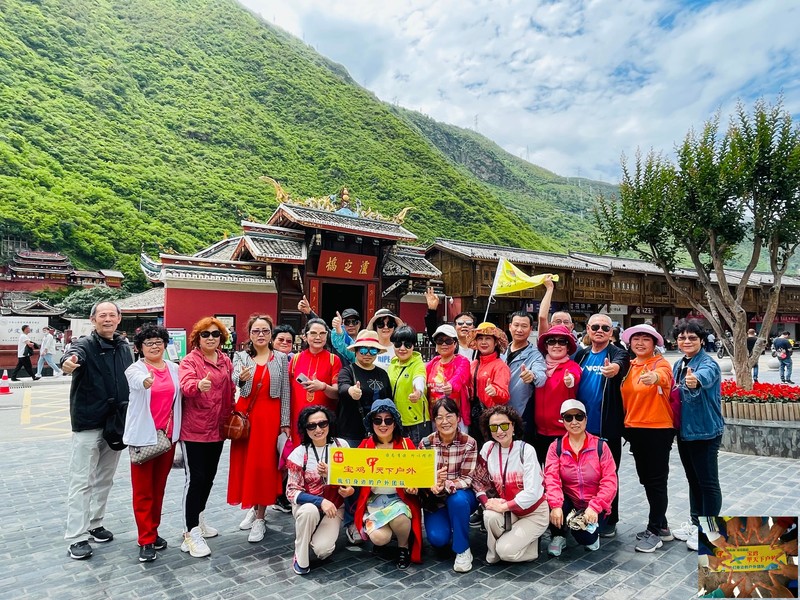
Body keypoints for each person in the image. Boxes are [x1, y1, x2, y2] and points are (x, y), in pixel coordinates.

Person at [60, 301, 133, 560]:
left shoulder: (124, 347)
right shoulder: (84, 345)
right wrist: (67, 363)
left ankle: (95, 523)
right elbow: (72, 355)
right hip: (88, 422)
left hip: (115, 423)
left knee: (105, 478)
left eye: (112, 315)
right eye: (102, 315)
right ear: (93, 320)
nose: (107, 319)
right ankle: (76, 536)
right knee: (82, 480)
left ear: (119, 319)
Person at [229, 315, 291, 543]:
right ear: (250, 334)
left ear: (271, 333)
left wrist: (285, 422)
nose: (261, 335)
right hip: (247, 416)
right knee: (248, 465)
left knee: (264, 466)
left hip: (269, 416)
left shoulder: (280, 358)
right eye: (256, 331)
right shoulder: (241, 356)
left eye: (265, 330)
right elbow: (237, 381)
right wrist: (242, 379)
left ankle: (260, 518)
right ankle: (254, 508)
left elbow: (285, 392)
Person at [123, 324, 182, 562]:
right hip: (144, 438)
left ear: (165, 345)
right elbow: (138, 381)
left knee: (159, 488)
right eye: (149, 343)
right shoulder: (135, 369)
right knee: (143, 491)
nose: (154, 347)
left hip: (167, 438)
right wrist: (147, 380)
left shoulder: (174, 368)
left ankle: (153, 531)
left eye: (159, 342)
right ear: (140, 348)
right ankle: (145, 539)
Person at [178, 316, 236, 557]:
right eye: (205, 334)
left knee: (209, 478)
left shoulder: (225, 360)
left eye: (215, 334)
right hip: (194, 429)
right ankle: (189, 534)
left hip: (217, 429)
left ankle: (198, 519)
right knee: (195, 479)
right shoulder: (190, 360)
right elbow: (185, 384)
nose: (211, 338)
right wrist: (197, 386)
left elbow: (230, 391)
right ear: (197, 338)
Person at [620, 323, 675, 553]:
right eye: (636, 339)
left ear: (654, 344)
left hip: (657, 429)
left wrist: (655, 377)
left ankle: (654, 531)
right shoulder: (630, 366)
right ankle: (662, 526)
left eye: (646, 339)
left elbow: (664, 377)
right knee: (647, 480)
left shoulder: (660, 364)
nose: (640, 343)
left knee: (657, 481)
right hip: (635, 429)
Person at [573, 313, 629, 538]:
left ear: (611, 332)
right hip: (579, 429)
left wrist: (614, 369)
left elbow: (621, 362)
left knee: (609, 475)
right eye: (595, 326)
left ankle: (609, 518)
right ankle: (582, 514)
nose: (600, 331)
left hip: (607, 428)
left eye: (605, 328)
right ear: (588, 329)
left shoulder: (616, 352)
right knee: (582, 475)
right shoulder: (582, 355)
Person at [671, 319, 724, 552]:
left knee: (708, 483)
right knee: (693, 480)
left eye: (692, 337)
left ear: (702, 341)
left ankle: (709, 532)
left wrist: (694, 381)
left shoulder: (707, 364)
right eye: (682, 337)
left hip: (705, 431)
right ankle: (695, 524)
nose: (687, 341)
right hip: (685, 432)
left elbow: (704, 376)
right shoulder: (679, 363)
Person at [472, 405, 549, 564]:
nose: (500, 431)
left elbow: (533, 492)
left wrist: (503, 507)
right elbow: (478, 480)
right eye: (494, 427)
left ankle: (530, 547)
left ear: (513, 426)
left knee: (506, 552)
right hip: (509, 510)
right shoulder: (488, 449)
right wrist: (488, 503)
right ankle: (495, 553)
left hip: (533, 513)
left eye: (504, 425)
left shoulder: (526, 450)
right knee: (489, 515)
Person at [337, 329, 392, 543]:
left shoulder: (382, 374)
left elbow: (389, 402)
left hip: (377, 434)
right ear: (356, 351)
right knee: (353, 479)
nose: (368, 354)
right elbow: (342, 387)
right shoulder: (348, 370)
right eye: (363, 350)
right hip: (351, 432)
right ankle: (351, 522)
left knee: (375, 478)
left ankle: (374, 518)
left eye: (372, 350)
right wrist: (351, 391)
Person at [354, 399, 423, 569]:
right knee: (380, 538)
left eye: (388, 420)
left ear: (395, 422)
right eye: (378, 420)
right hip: (374, 501)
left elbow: (417, 475)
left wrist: (414, 487)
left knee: (400, 518)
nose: (383, 424)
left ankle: (403, 547)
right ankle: (391, 535)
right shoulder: (364, 446)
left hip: (399, 500)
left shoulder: (406, 445)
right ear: (372, 423)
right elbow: (352, 476)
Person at [544, 400, 618, 556]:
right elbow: (551, 479)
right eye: (568, 417)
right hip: (570, 500)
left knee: (585, 538)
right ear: (562, 421)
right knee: (549, 501)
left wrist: (595, 507)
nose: (574, 422)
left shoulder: (600, 446)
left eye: (579, 416)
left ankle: (590, 533)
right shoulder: (556, 447)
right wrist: (556, 505)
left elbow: (610, 481)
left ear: (586, 419)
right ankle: (558, 535)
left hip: (595, 503)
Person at [286, 406, 353, 575]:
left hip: (334, 508)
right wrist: (320, 501)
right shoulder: (299, 454)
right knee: (309, 511)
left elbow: (351, 477)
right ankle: (300, 556)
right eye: (311, 426)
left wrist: (347, 487)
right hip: (308, 506)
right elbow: (291, 491)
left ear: (329, 424)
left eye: (323, 424)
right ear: (305, 428)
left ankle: (312, 532)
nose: (318, 429)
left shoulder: (341, 446)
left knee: (323, 551)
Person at [418, 398, 478, 573]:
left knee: (456, 501)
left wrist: (445, 485)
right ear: (434, 421)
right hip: (435, 500)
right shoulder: (426, 443)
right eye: (439, 417)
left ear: (458, 417)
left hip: (461, 495)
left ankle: (462, 549)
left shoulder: (469, 442)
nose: (445, 421)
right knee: (438, 539)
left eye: (449, 416)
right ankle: (452, 525)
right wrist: (431, 485)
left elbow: (467, 479)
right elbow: (420, 477)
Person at [533, 325, 582, 466]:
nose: (556, 345)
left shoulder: (572, 366)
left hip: (562, 432)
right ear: (546, 346)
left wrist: (570, 380)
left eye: (562, 342)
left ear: (568, 347)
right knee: (542, 472)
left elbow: (574, 376)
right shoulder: (539, 366)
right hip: (539, 432)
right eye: (552, 341)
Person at [288, 318, 341, 444]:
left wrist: (323, 387)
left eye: (322, 333)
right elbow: (286, 393)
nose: (318, 337)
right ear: (305, 336)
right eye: (313, 333)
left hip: (323, 422)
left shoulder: (334, 360)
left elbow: (337, 393)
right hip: (298, 419)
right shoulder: (295, 360)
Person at [501, 311, 546, 444]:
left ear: (531, 329)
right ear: (510, 326)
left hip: (521, 415)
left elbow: (541, 376)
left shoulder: (535, 355)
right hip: (498, 415)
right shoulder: (500, 351)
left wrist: (532, 376)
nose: (519, 330)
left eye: (524, 326)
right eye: (516, 325)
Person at [467, 322, 511, 445]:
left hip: (491, 419)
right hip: (472, 417)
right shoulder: (473, 364)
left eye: (488, 338)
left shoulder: (500, 366)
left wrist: (495, 392)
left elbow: (505, 396)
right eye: (480, 338)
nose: (483, 342)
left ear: (495, 342)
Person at [387, 326, 430, 445]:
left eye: (407, 345)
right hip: (397, 421)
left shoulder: (417, 363)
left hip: (416, 422)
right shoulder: (393, 364)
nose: (402, 348)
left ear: (413, 346)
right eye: (398, 344)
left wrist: (418, 392)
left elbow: (419, 378)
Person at [426, 324, 472, 432]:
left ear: (455, 344)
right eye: (440, 341)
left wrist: (451, 385)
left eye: (448, 341)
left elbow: (460, 376)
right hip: (436, 417)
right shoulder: (432, 364)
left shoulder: (462, 361)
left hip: (456, 417)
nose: (444, 344)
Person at [422, 286, 477, 360]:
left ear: (474, 327)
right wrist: (432, 310)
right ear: (455, 327)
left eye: (469, 323)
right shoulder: (448, 344)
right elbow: (432, 330)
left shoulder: (479, 347)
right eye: (460, 323)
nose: (464, 325)